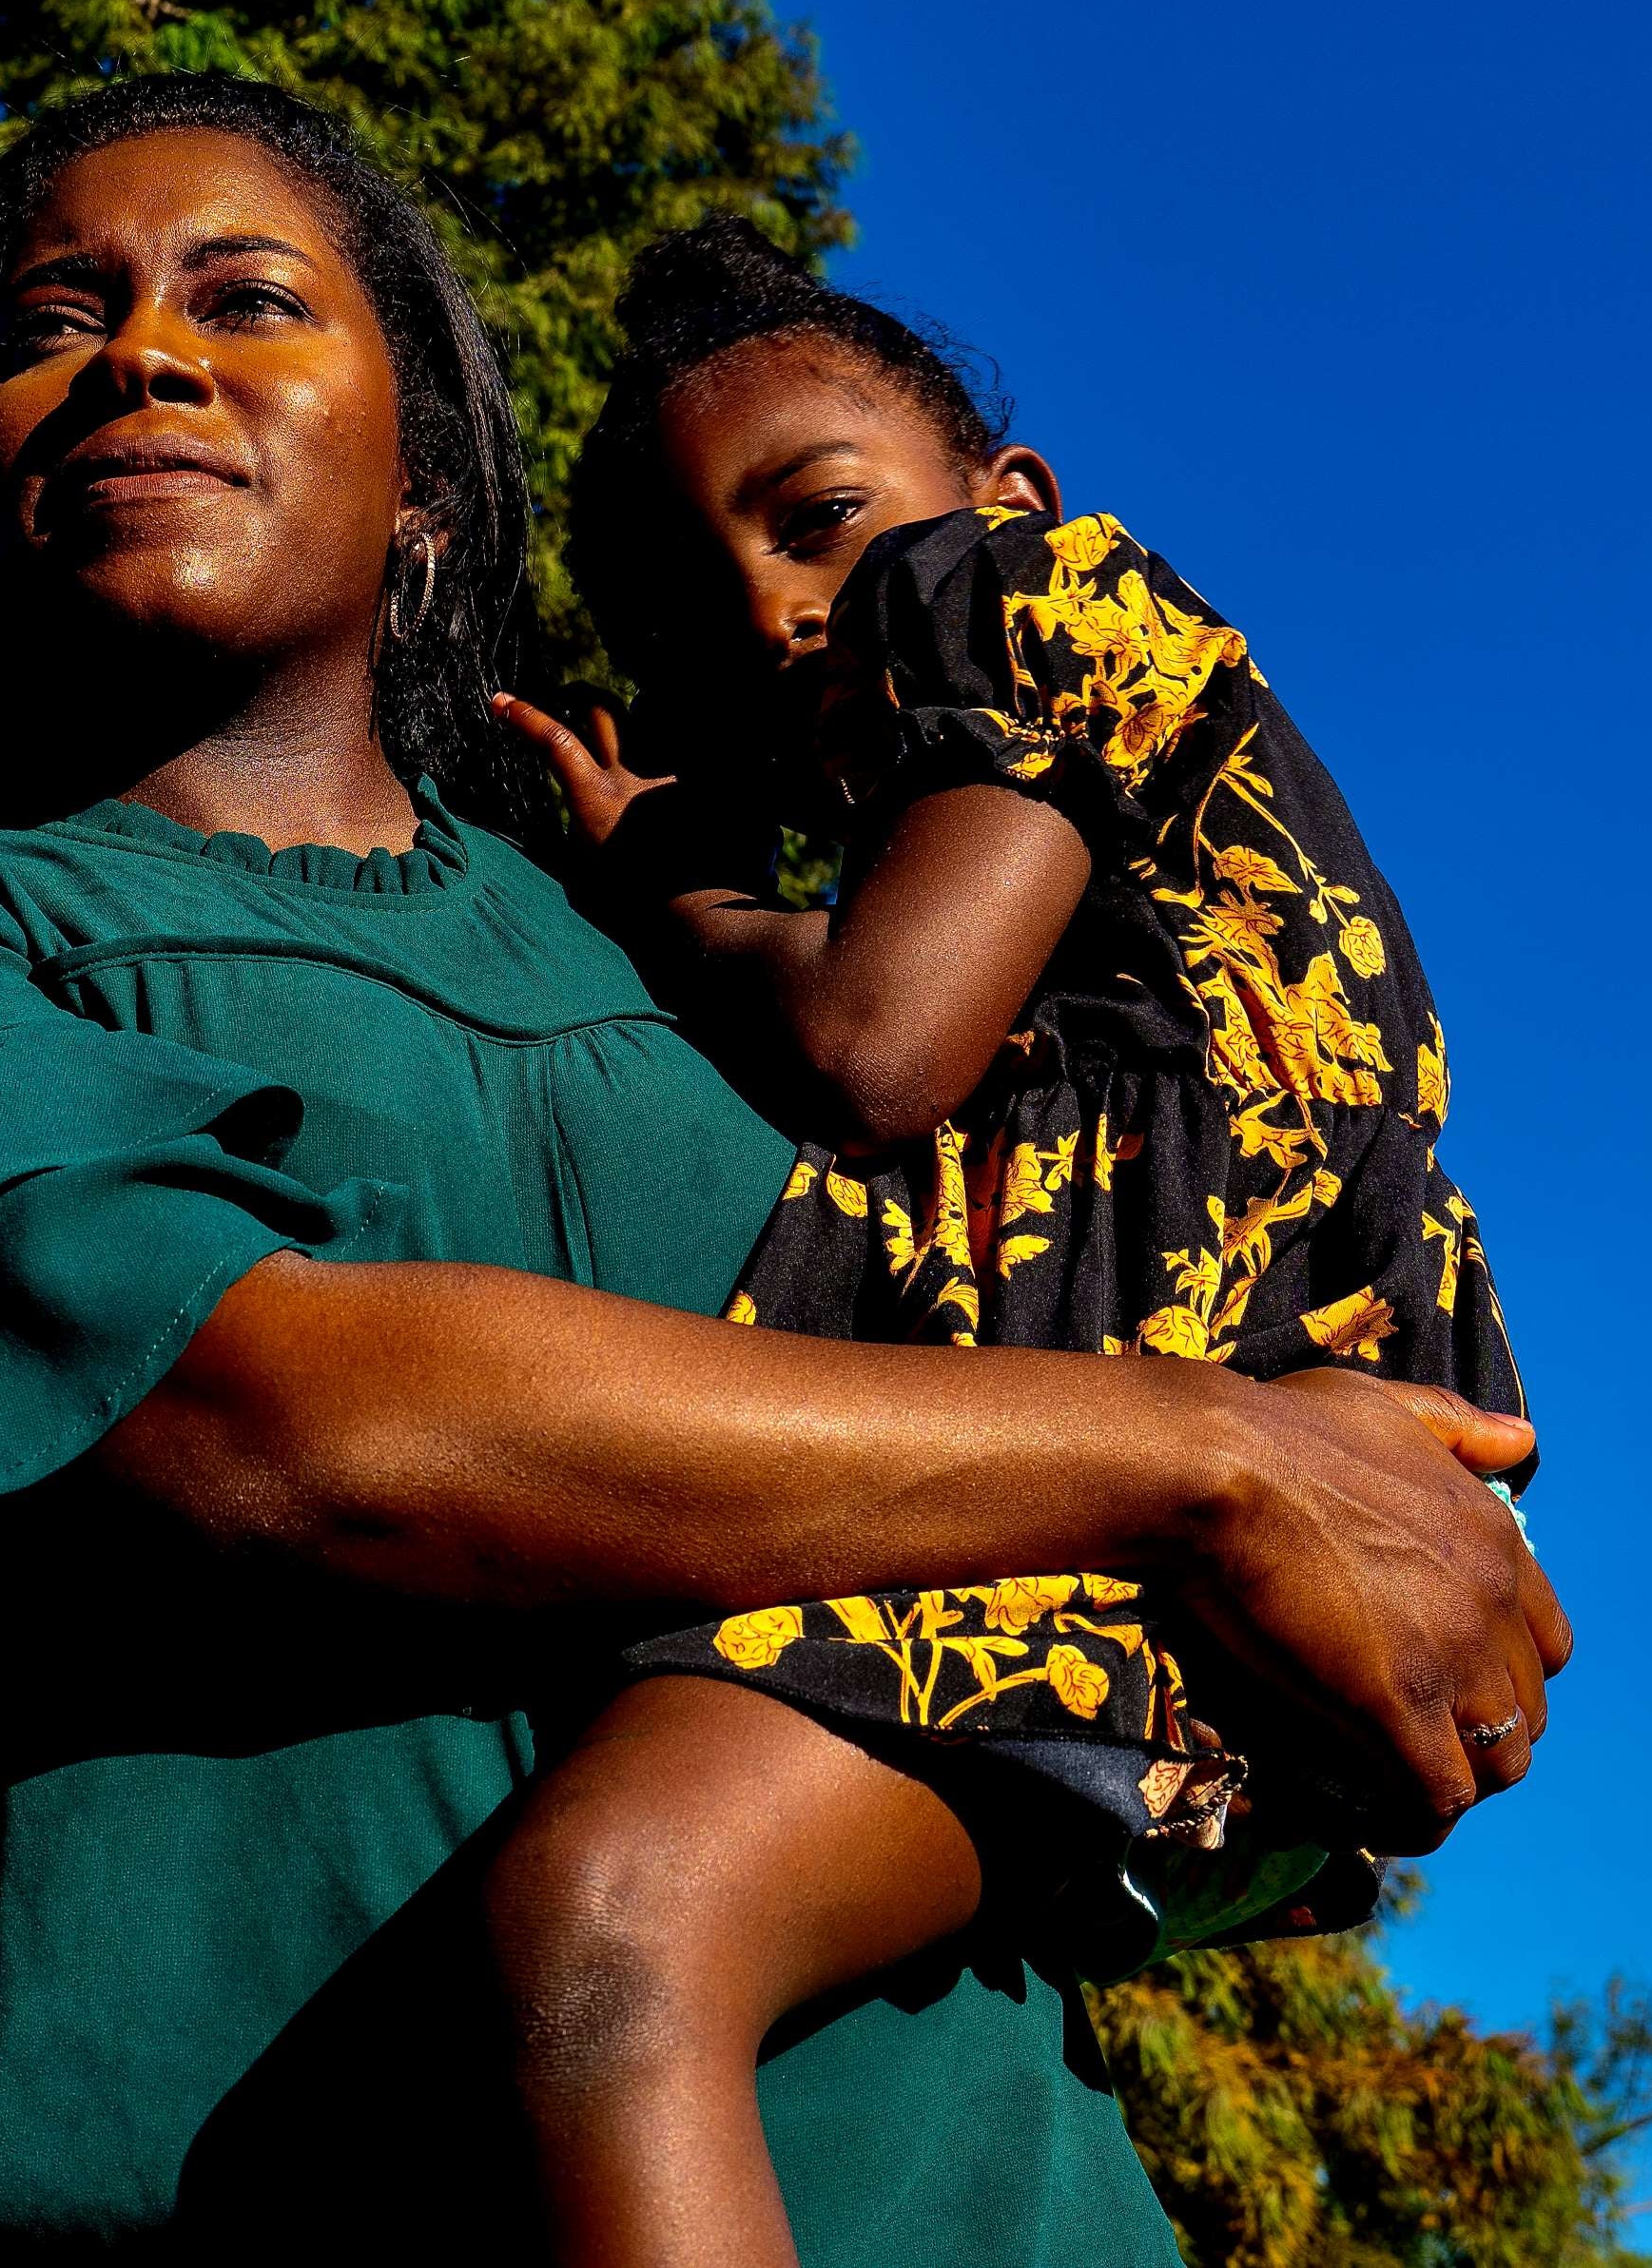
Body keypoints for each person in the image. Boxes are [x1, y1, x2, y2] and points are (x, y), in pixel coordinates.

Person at [0, 77, 1566, 2263]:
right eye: (50, 319)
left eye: (248, 296)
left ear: (424, 486)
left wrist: (1320, 1484)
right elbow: (249, 1419)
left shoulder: (720, 981)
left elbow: (1123, 1643)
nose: (141, 351)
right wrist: (1196, 1453)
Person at [477, 223, 1540, 2266]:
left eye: (823, 516)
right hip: (1193, 1547)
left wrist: (663, 890)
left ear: (1008, 496)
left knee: (607, 1926)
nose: (786, 607)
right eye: (711, 606)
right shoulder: (1028, 835)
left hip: (1201, 1516)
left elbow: (875, 1042)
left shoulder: (1035, 605)